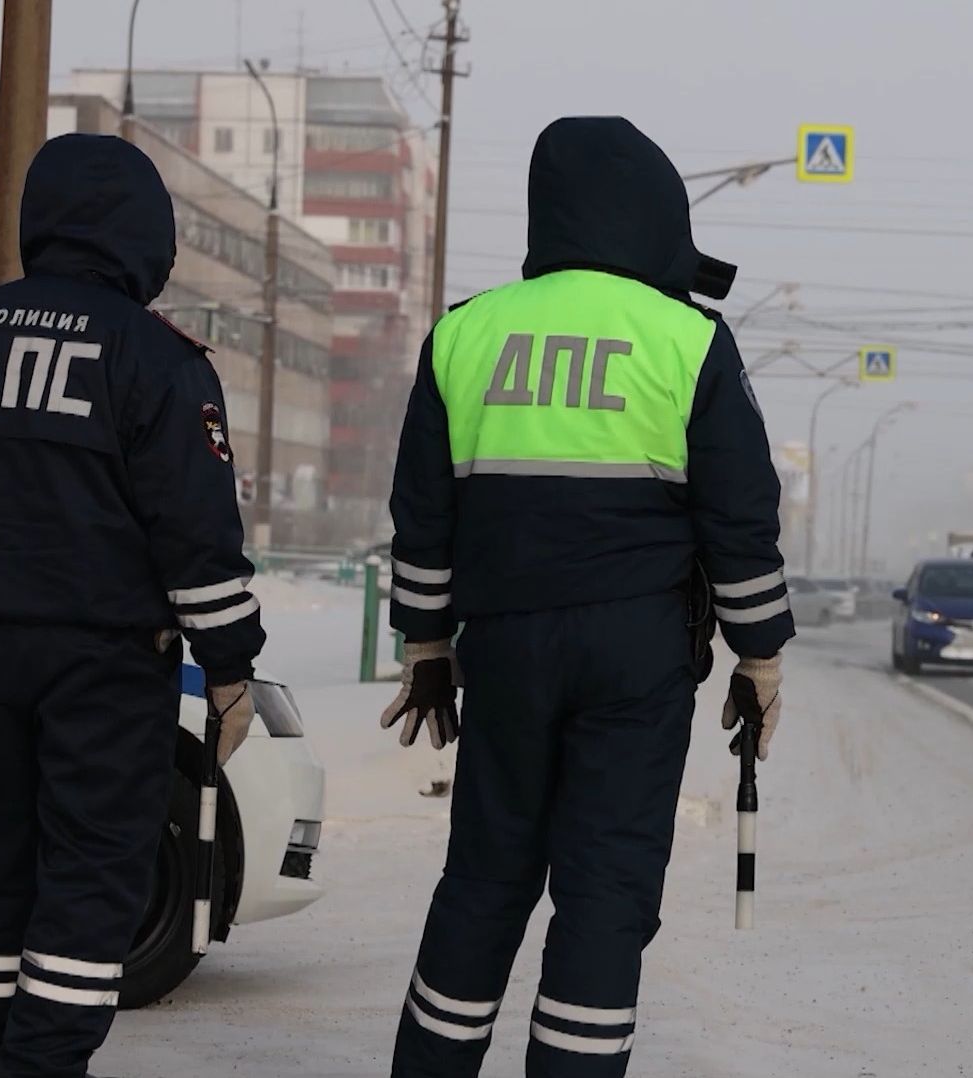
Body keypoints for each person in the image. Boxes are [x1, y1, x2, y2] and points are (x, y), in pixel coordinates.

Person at [380, 115, 795, 1078]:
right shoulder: (688, 339)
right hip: (637, 654)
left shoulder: (465, 333)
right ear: (656, 214)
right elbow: (739, 518)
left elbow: (423, 515)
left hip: (505, 648)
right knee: (606, 891)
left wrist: (427, 646)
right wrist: (760, 654)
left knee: (483, 879)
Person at [0, 133, 263, 1078]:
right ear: (147, 237)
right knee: (91, 870)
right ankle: (42, 1065)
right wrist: (231, 666)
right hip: (106, 665)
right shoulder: (155, 358)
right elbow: (196, 536)